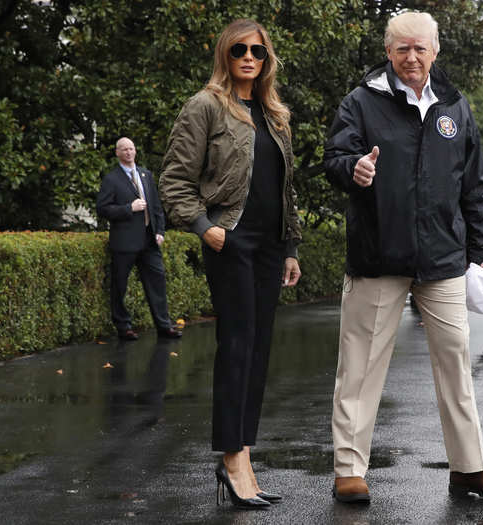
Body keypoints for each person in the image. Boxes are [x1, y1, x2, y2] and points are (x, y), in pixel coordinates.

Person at [324, 11, 483, 504]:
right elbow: (334, 160)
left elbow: (474, 188)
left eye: (420, 48)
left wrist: (479, 256)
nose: (411, 57)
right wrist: (355, 170)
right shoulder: (362, 102)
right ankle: (349, 469)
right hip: (378, 256)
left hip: (443, 258)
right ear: (388, 53)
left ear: (435, 51)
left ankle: (470, 469)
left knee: (455, 363)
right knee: (360, 367)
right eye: (401, 48)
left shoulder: (455, 105)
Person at [159, 19, 302, 510]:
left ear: (267, 60)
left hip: (269, 246)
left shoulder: (274, 114)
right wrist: (206, 228)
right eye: (239, 49)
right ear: (226, 54)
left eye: (257, 51)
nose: (248, 57)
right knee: (237, 347)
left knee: (259, 350)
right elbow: (174, 180)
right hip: (231, 241)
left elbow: (286, 191)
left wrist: (291, 248)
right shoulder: (204, 106)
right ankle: (231, 458)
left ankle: (245, 457)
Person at [96, 137, 182, 341]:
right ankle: (124, 327)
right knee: (120, 287)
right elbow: (102, 209)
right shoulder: (111, 179)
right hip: (125, 243)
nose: (128, 152)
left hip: (149, 241)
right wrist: (128, 209)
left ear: (135, 151)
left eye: (131, 148)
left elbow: (156, 206)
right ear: (117, 153)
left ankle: (164, 325)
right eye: (123, 149)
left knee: (158, 283)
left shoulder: (146, 174)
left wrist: (160, 230)